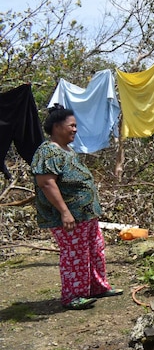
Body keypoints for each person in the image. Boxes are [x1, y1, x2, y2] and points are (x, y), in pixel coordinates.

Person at [31, 104, 122, 309]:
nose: (75, 129)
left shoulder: (66, 149)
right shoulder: (47, 151)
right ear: (56, 127)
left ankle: (97, 286)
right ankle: (73, 296)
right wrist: (65, 212)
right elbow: (46, 183)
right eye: (71, 126)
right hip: (70, 217)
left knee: (95, 250)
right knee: (75, 254)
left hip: (85, 215)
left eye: (75, 126)